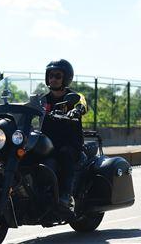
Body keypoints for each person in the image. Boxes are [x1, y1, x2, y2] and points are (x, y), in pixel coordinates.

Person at [41, 59, 87, 212]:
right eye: (51, 75)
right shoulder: (42, 99)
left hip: (69, 143)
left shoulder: (75, 97)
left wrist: (77, 110)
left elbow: (83, 104)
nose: (53, 79)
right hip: (46, 142)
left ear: (66, 78)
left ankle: (66, 196)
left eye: (57, 75)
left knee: (65, 155)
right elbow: (26, 107)